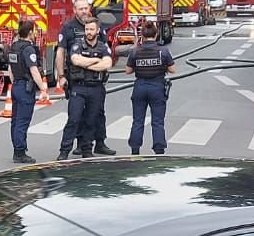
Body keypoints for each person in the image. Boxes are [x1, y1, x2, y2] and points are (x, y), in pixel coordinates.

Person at [58, 16, 114, 160]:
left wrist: (87, 63)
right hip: (79, 87)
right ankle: (64, 151)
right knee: (74, 120)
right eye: (87, 29)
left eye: (91, 29)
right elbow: (75, 60)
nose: (88, 32)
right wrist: (96, 60)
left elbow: (107, 63)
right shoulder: (77, 45)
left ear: (97, 31)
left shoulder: (103, 46)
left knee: (91, 120)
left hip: (96, 88)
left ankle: (87, 150)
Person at [126, 21, 176, 155]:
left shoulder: (136, 51)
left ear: (142, 34)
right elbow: (173, 70)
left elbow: (128, 70)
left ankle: (135, 150)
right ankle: (159, 150)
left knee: (138, 120)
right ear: (156, 34)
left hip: (140, 87)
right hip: (157, 87)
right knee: (158, 121)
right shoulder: (163, 51)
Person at [8, 19, 49, 164]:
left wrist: (15, 83)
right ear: (30, 32)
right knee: (22, 121)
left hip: (16, 86)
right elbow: (34, 71)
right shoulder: (28, 49)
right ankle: (20, 152)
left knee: (15, 120)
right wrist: (43, 89)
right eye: (35, 30)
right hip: (25, 88)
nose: (36, 33)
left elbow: (10, 70)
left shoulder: (14, 47)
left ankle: (16, 150)